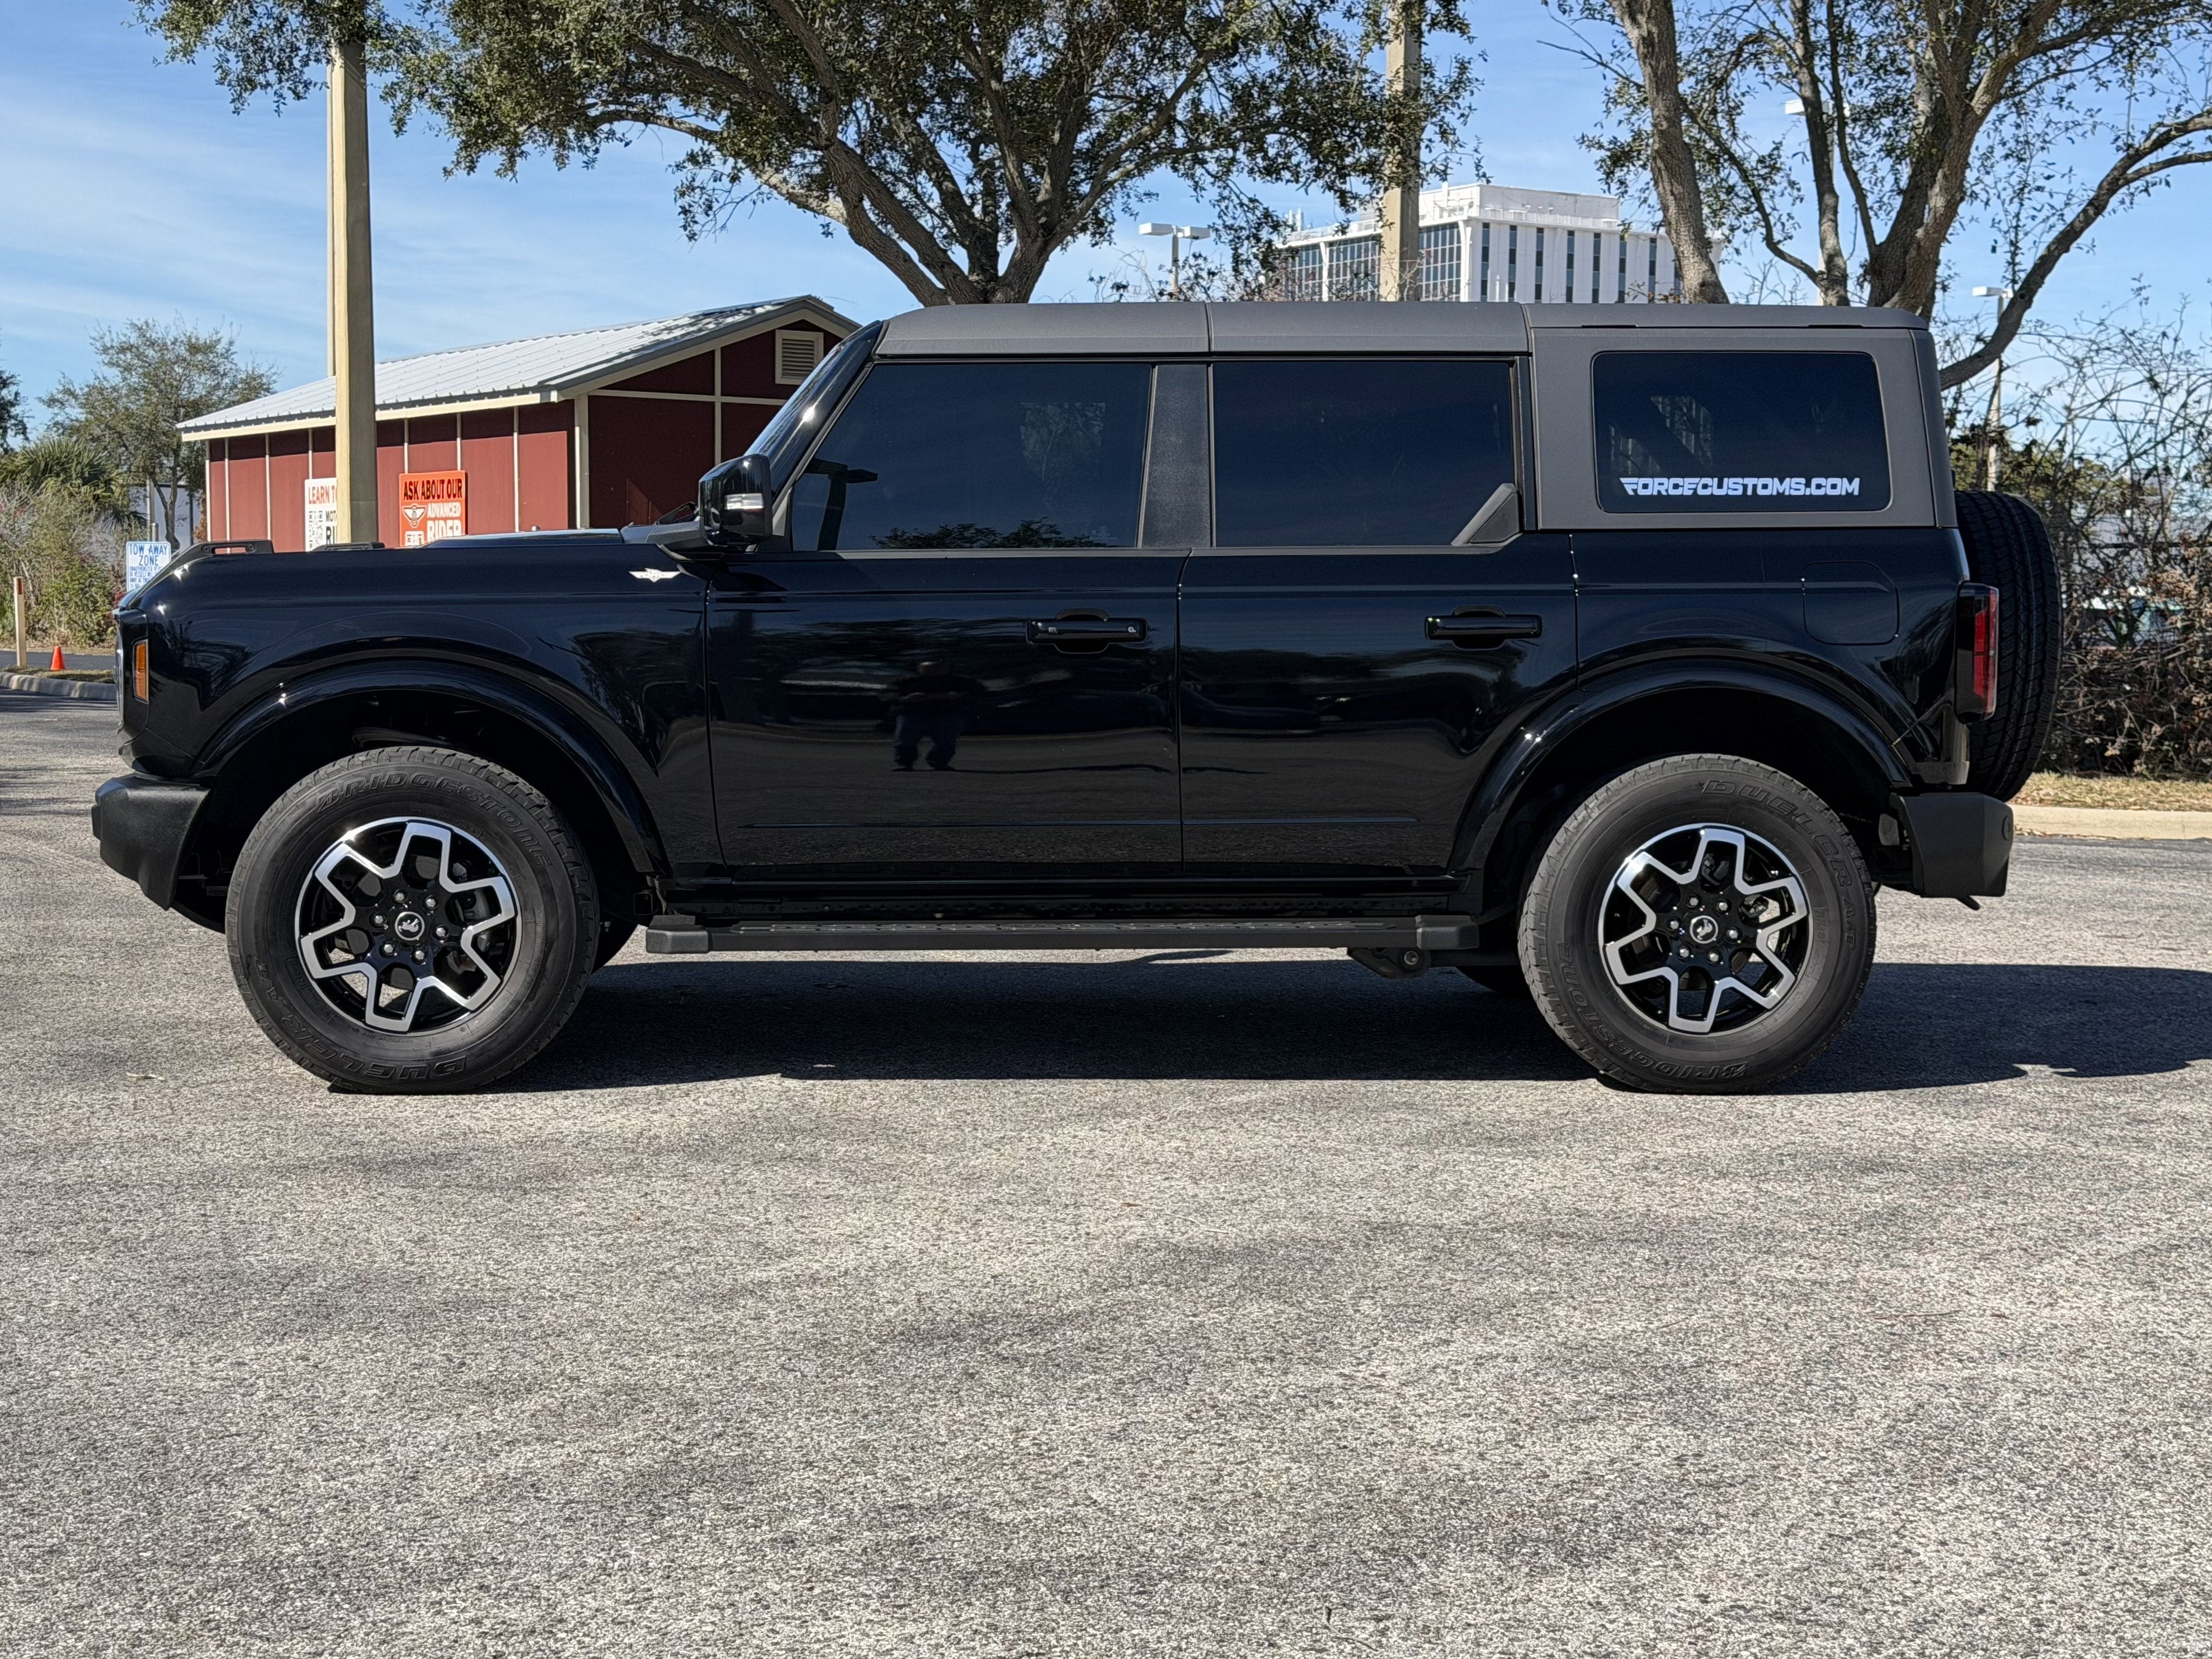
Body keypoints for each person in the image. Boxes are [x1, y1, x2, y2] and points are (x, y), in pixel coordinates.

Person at [888, 659, 985, 770]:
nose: (932, 673)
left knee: (946, 741)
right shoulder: (905, 682)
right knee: (905, 740)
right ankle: (904, 763)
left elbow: (980, 694)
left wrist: (961, 696)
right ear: (920, 670)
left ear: (946, 669)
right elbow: (887, 695)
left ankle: (938, 762)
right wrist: (905, 699)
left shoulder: (962, 682)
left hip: (947, 714)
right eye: (928, 670)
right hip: (912, 714)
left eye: (936, 669)